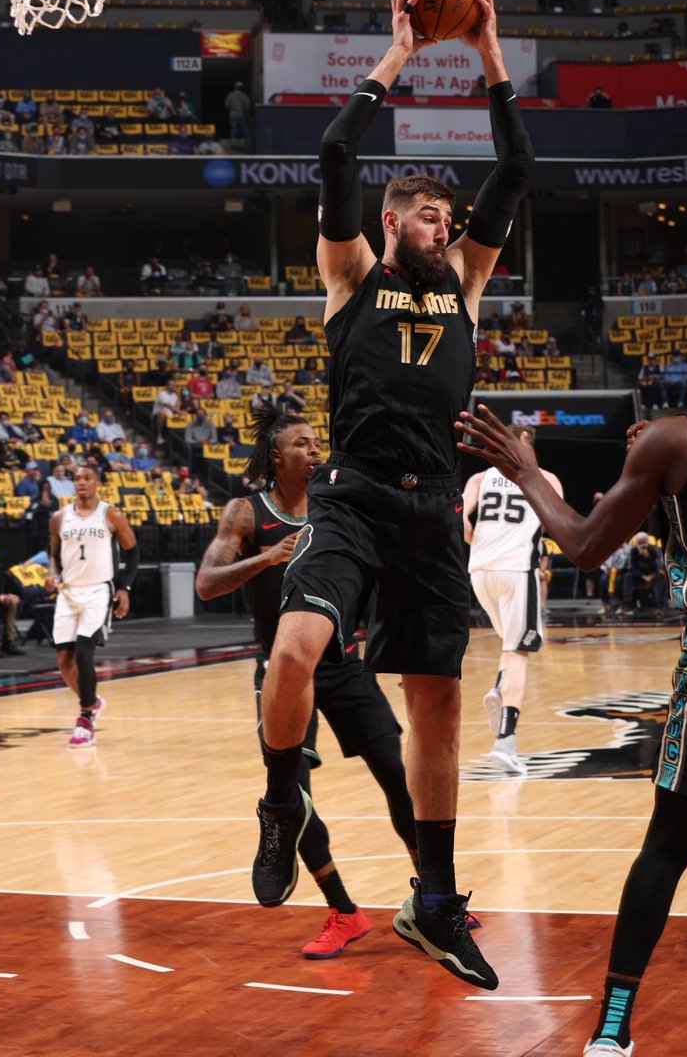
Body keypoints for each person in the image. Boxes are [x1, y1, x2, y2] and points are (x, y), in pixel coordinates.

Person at [251, 0, 533, 992]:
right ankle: (284, 799)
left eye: (450, 215)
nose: (445, 224)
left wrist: (491, 52)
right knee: (294, 650)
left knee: (439, 709)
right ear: (391, 217)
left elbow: (519, 165)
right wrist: (405, 54)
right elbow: (333, 150)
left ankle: (435, 902)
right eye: (428, 212)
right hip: (357, 494)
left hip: (433, 512)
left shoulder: (464, 285)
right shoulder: (351, 278)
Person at [456, 292, 687, 1056]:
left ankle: (613, 1027)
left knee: (668, 843)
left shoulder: (675, 437)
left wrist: (524, 469)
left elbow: (581, 545)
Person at [196, 404, 422, 958]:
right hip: (282, 671)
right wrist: (266, 559)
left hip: (344, 663)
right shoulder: (247, 513)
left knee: (400, 776)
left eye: (318, 442)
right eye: (302, 444)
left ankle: (435, 898)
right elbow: (205, 583)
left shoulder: (335, 507)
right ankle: (343, 912)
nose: (316, 450)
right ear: (277, 457)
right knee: (296, 796)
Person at [462, 425, 564, 772]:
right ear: (529, 449)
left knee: (509, 644)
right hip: (517, 570)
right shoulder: (545, 478)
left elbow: (458, 517)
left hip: (480, 570)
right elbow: (559, 523)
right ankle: (506, 742)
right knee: (520, 652)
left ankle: (498, 685)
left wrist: (477, 542)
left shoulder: (479, 478)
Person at [47, 463, 139, 746]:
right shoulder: (59, 518)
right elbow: (53, 553)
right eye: (77, 479)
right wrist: (52, 574)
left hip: (99, 591)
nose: (81, 483)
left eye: (87, 478)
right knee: (64, 661)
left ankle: (85, 718)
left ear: (98, 482)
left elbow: (133, 551)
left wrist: (124, 587)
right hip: (69, 592)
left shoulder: (111, 514)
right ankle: (92, 700)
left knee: (84, 652)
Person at [620, 531, 667, 616]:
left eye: (643, 542)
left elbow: (659, 567)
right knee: (627, 576)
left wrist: (647, 557)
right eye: (640, 543)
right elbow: (632, 567)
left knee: (659, 577)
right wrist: (643, 576)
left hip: (653, 576)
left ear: (648, 541)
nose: (642, 545)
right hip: (639, 577)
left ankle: (659, 606)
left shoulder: (654, 550)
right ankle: (627, 605)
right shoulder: (634, 551)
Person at [0, 542, 25, 657]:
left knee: (11, 604)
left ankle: (8, 642)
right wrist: (1, 598)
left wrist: (10, 596)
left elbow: (1, 589)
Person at [152, 379, 179, 444]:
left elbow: (177, 408)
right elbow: (167, 405)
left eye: (174, 385)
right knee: (162, 412)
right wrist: (179, 411)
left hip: (170, 415)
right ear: (167, 386)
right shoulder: (162, 394)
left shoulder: (176, 396)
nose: (172, 386)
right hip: (158, 415)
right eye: (170, 385)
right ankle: (159, 436)